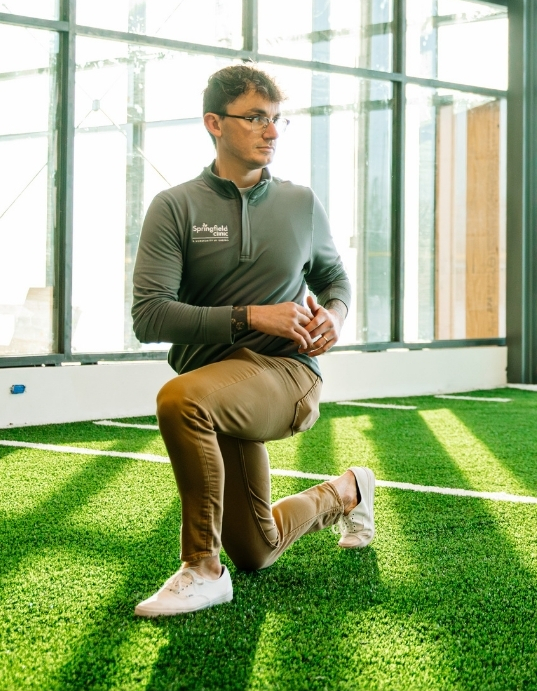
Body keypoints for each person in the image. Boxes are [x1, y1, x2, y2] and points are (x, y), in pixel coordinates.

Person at [131, 64, 375, 618]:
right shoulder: (175, 207)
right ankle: (348, 491)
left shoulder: (300, 203)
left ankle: (201, 568)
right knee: (257, 550)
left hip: (287, 374)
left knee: (180, 400)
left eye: (277, 119)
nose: (271, 131)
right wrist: (250, 317)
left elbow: (334, 280)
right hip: (216, 383)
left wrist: (336, 315)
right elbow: (150, 316)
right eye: (255, 118)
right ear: (214, 123)